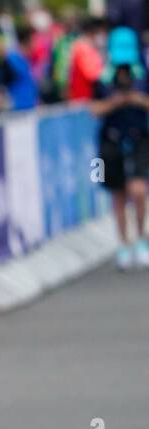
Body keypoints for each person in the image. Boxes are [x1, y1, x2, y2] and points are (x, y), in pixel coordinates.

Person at [91, 25, 149, 269]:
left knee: (138, 190)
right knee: (118, 194)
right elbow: (93, 109)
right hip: (111, 139)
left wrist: (137, 100)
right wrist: (115, 102)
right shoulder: (102, 78)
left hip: (139, 137)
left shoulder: (143, 75)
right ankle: (124, 244)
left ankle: (142, 239)